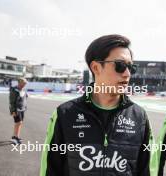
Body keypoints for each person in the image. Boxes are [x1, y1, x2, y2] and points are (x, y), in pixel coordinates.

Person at [40, 34, 157, 176]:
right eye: (120, 65)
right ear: (96, 67)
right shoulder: (64, 114)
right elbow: (50, 170)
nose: (127, 74)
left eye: (131, 67)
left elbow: (148, 171)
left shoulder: (139, 117)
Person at [9, 77, 28, 145]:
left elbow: (25, 98)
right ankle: (14, 138)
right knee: (18, 123)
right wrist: (13, 111)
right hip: (16, 110)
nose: (24, 85)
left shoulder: (23, 90)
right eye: (23, 83)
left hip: (22, 109)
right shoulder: (14, 90)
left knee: (20, 123)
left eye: (25, 83)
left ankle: (16, 136)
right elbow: (12, 102)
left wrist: (25, 107)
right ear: (19, 83)